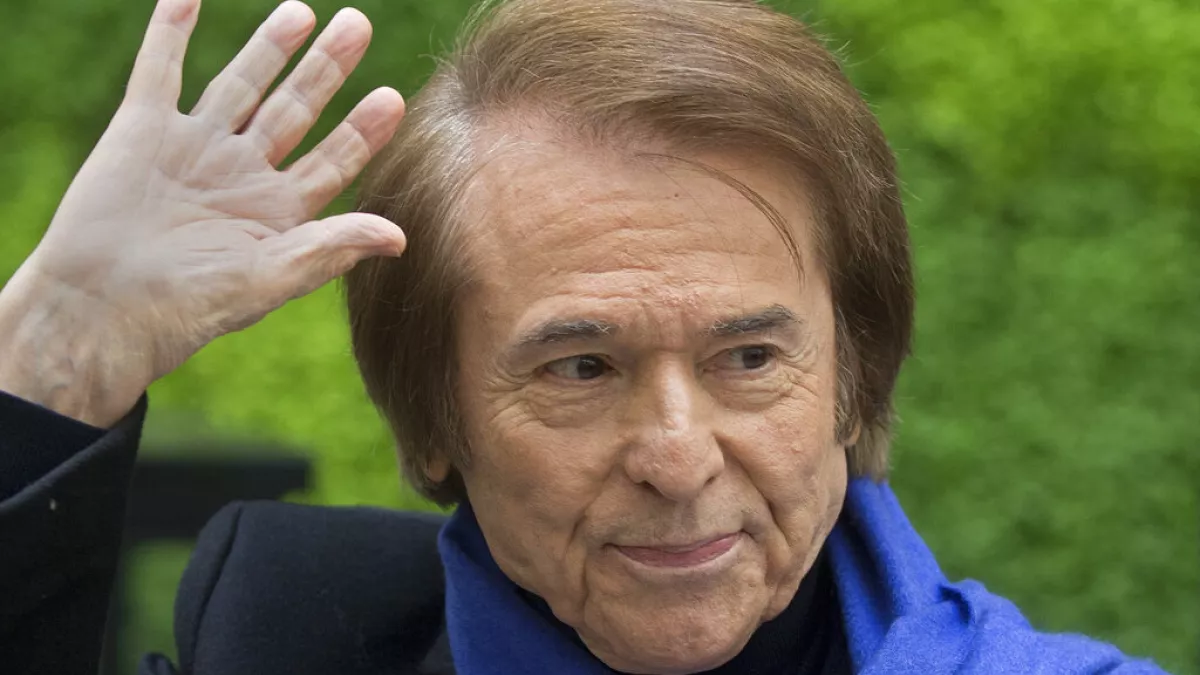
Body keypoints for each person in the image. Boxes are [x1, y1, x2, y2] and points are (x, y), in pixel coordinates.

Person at [0, 0, 1172, 673]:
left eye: (749, 359)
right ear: (436, 417)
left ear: (853, 382)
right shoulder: (295, 631)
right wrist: (59, 351)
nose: (677, 457)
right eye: (582, 367)